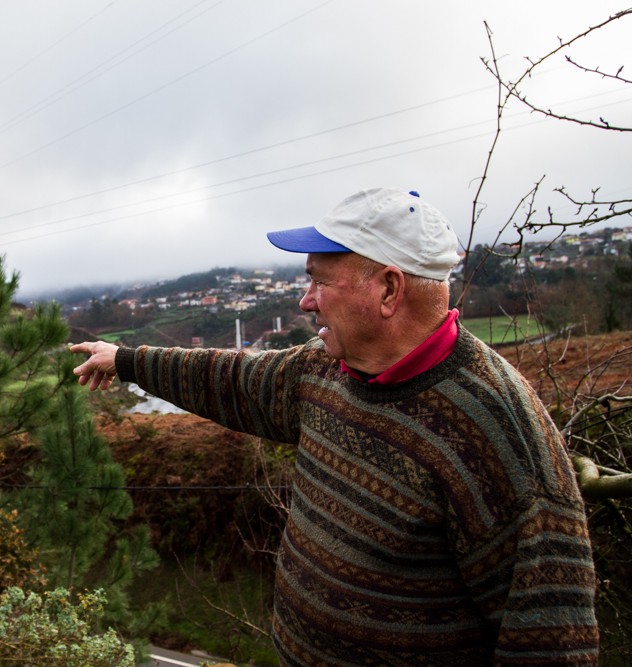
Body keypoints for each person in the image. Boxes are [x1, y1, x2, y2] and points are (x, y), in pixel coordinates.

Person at [71, 188, 599, 666]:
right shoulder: (324, 369)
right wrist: (126, 360)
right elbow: (230, 378)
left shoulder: (500, 436)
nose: (305, 301)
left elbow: (551, 645)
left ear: (389, 289)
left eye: (319, 281)